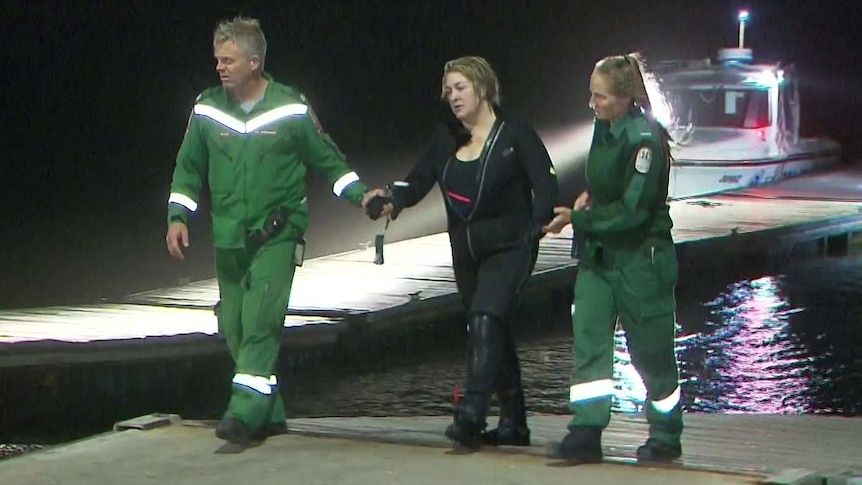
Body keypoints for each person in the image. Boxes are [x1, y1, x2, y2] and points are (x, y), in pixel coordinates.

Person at [165, 16, 373, 450]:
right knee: (234, 324)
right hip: (228, 237)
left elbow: (328, 160)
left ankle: (243, 413)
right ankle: (271, 410)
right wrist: (178, 217)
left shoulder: (290, 108)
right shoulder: (206, 108)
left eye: (229, 60)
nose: (220, 67)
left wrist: (360, 196)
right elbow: (188, 167)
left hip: (278, 232)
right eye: (217, 59)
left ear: (254, 63)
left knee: (261, 322)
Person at [363, 56, 559, 450]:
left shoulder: (514, 132)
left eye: (461, 88)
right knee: (491, 327)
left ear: (483, 88)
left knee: (486, 319)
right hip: (467, 251)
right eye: (448, 90)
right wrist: (392, 199)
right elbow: (417, 180)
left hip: (511, 245)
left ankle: (471, 413)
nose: (453, 97)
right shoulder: (446, 137)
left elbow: (545, 182)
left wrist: (538, 226)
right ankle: (514, 422)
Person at [542, 53, 683, 463]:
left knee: (652, 354)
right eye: (591, 95)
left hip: (641, 259)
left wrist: (580, 218)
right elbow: (606, 188)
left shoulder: (643, 140)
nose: (592, 104)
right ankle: (585, 432)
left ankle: (666, 435)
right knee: (589, 339)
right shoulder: (602, 129)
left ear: (623, 97)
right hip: (599, 257)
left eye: (599, 97)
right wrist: (589, 200)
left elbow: (634, 211)